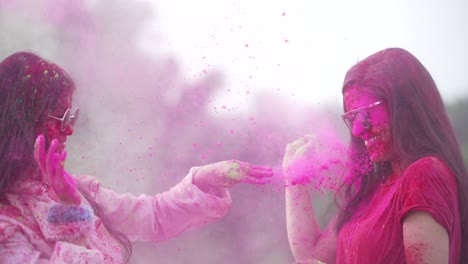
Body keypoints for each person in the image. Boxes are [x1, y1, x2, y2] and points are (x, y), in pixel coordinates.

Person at [0, 51, 273, 263]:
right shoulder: (6, 227)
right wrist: (69, 210)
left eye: (71, 116)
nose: (69, 130)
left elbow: (153, 216)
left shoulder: (80, 190)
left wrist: (204, 179)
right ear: (19, 123)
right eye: (59, 117)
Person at [283, 48, 468, 264]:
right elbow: (310, 256)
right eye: (352, 118)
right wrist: (293, 179)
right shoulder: (373, 186)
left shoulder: (424, 174)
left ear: (405, 107)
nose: (357, 131)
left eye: (366, 115)